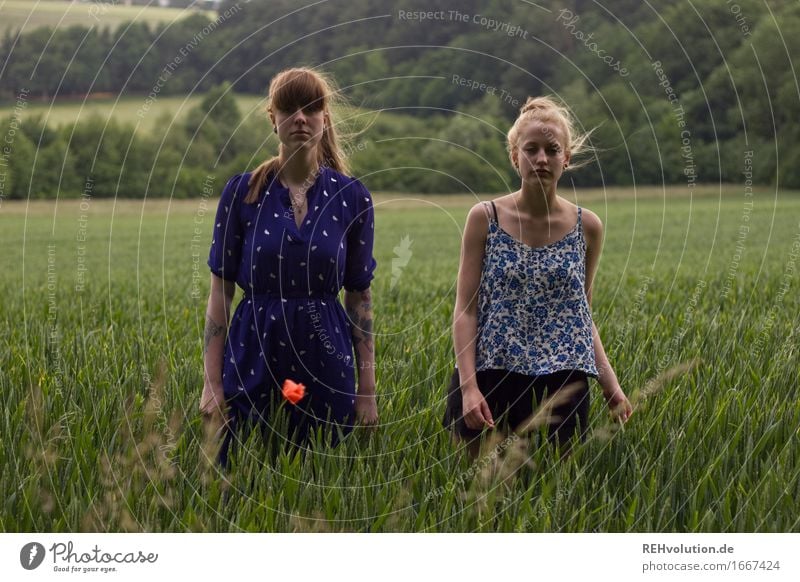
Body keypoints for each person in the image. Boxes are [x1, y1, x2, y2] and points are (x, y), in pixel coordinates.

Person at [199, 67, 378, 468]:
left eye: (312, 107)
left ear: (325, 119)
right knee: (243, 472)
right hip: (252, 351)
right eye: (289, 107)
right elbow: (220, 293)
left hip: (327, 353)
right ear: (273, 117)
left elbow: (360, 299)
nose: (301, 117)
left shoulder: (352, 198)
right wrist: (212, 383)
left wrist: (367, 391)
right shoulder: (240, 194)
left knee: (325, 473)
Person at [444, 96, 632, 457]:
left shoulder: (587, 227)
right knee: (479, 498)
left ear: (567, 159)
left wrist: (612, 387)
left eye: (552, 149)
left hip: (562, 386)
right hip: (490, 378)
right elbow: (465, 311)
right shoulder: (484, 218)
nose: (541, 159)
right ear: (515, 156)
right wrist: (468, 388)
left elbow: (581, 316)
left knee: (554, 495)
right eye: (531, 149)